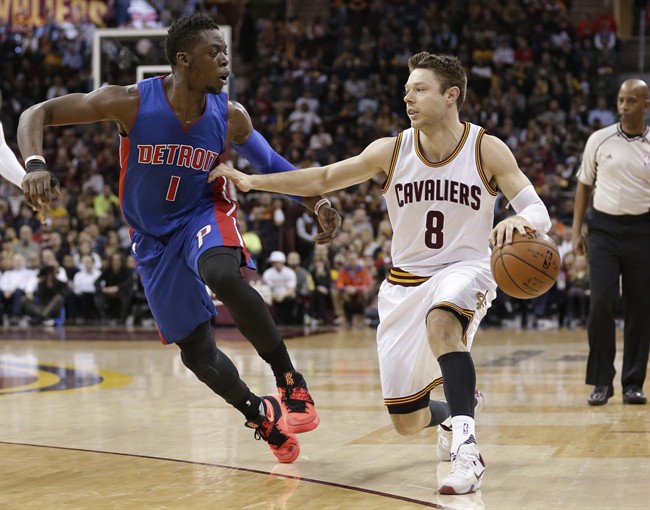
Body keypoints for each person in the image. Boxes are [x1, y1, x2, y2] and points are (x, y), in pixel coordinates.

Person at [214, 52, 552, 494]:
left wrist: (518, 221)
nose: (407, 96)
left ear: (452, 96)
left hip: (466, 269)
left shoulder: (485, 147)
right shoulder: (390, 151)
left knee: (443, 319)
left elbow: (538, 211)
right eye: (407, 88)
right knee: (406, 421)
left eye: (419, 89)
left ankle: (467, 451)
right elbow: (325, 177)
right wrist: (253, 181)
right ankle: (454, 410)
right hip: (403, 283)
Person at [18, 14, 342, 464]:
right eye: (216, 52)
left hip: (201, 211)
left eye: (226, 51)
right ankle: (259, 413)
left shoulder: (229, 115)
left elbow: (271, 163)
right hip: (151, 236)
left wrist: (316, 201)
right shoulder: (130, 102)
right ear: (185, 61)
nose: (226, 60)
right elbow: (39, 112)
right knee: (196, 352)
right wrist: (35, 163)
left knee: (221, 272)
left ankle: (289, 380)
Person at [572, 79, 650, 406]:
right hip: (603, 229)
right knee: (601, 302)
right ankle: (602, 382)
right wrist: (577, 230)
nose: (623, 106)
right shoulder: (599, 139)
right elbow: (583, 185)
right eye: (620, 100)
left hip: (643, 229)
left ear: (645, 105)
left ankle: (633, 382)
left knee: (640, 309)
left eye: (631, 101)